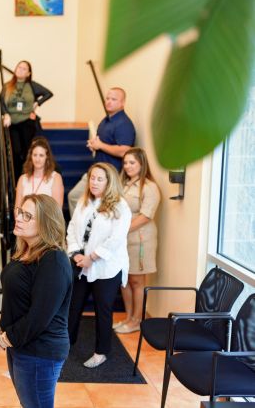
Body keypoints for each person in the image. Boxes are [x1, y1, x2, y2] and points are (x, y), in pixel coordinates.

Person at [0, 194, 72, 408]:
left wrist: (4, 340)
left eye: (28, 216)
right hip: (21, 344)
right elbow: (18, 293)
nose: (19, 218)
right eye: (20, 212)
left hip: (40, 351)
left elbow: (39, 317)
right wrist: (2, 319)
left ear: (46, 223)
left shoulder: (53, 260)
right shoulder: (26, 249)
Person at [66, 162, 131, 368]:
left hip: (106, 267)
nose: (94, 182)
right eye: (92, 178)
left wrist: (91, 257)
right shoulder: (84, 201)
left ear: (109, 181)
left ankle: (101, 352)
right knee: (73, 306)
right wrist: (76, 253)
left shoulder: (120, 206)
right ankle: (65, 345)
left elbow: (115, 239)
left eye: (99, 179)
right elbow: (72, 228)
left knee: (103, 309)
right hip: (81, 263)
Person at [114, 148, 161, 334]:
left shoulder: (149, 187)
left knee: (136, 281)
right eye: (125, 163)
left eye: (132, 163)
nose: (127, 166)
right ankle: (128, 318)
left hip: (140, 239)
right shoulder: (123, 184)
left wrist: (121, 228)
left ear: (142, 164)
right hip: (122, 240)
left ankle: (137, 321)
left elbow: (146, 216)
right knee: (124, 280)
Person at [67, 87, 135, 215]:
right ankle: (81, 230)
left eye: (113, 99)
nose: (109, 101)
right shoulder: (106, 120)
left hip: (110, 175)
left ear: (122, 103)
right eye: (107, 98)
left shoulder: (124, 123)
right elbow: (102, 143)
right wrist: (94, 145)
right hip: (96, 170)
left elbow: (125, 151)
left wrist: (101, 145)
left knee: (103, 208)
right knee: (74, 197)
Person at [1, 60, 53, 180]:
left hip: (27, 122)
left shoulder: (32, 85)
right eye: (19, 67)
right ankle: (15, 180)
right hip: (12, 124)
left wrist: (37, 103)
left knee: (26, 153)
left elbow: (48, 93)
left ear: (28, 73)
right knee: (15, 152)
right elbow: (2, 102)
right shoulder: (7, 86)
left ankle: (26, 178)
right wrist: (6, 114)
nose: (20, 70)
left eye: (24, 69)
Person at [14, 136, 64, 209]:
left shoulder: (56, 178)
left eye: (41, 155)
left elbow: (57, 210)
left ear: (47, 157)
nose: (37, 159)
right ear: (31, 156)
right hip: (25, 219)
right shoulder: (22, 179)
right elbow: (17, 209)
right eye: (35, 155)